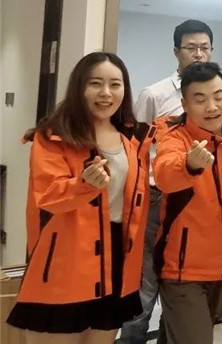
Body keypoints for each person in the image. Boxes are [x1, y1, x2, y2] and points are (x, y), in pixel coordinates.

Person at [7, 52, 150, 344]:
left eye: (115, 84)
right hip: (66, 258)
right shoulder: (53, 136)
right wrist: (83, 185)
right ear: (79, 88)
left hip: (116, 258)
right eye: (95, 83)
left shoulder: (133, 138)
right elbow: (48, 197)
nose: (106, 93)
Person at [120, 19, 214, 344]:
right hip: (156, 196)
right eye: (191, 48)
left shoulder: (215, 97)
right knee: (145, 282)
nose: (199, 54)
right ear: (176, 52)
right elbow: (134, 147)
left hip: (196, 200)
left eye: (205, 48)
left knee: (179, 282)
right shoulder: (155, 94)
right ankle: (132, 338)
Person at [153, 62, 222, 344]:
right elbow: (164, 175)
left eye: (219, 96)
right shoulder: (175, 136)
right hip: (183, 269)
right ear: (185, 104)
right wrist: (189, 165)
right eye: (200, 99)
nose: (212, 107)